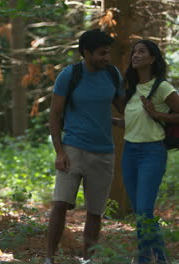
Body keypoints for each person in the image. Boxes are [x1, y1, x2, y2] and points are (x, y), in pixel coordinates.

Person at [45, 29, 124, 264]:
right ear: (86, 52)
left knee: (95, 212)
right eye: (102, 53)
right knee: (60, 204)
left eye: (108, 53)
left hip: (104, 152)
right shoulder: (69, 76)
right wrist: (59, 151)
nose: (107, 58)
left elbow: (124, 108)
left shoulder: (112, 74)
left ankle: (87, 260)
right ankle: (49, 258)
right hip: (73, 149)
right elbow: (55, 115)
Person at [119, 39, 179, 264]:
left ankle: (144, 259)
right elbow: (133, 122)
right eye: (134, 52)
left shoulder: (162, 87)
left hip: (152, 153)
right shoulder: (132, 89)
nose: (135, 55)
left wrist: (158, 115)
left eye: (141, 52)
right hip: (129, 152)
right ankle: (160, 258)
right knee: (140, 212)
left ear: (152, 58)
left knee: (145, 209)